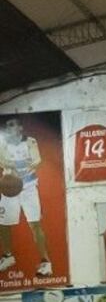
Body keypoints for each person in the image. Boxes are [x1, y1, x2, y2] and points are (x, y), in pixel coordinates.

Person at [0, 118, 52, 276]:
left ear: (20, 127)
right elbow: (2, 161)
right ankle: (8, 257)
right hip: (10, 188)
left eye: (12, 124)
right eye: (7, 125)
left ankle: (46, 263)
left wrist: (25, 165)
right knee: (3, 224)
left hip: (29, 187)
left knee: (35, 224)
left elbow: (37, 159)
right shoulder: (3, 142)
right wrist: (18, 165)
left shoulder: (30, 141)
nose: (9, 127)